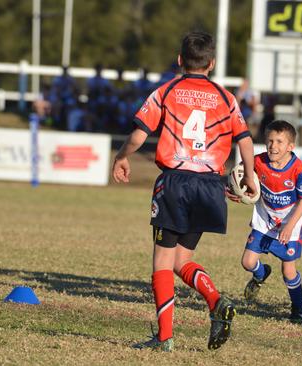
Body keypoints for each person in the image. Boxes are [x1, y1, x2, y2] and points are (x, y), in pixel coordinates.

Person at [112, 31, 258, 352]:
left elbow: (139, 134)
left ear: (180, 60)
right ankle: (217, 302)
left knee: (162, 263)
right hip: (209, 187)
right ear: (212, 63)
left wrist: (122, 156)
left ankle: (164, 338)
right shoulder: (226, 98)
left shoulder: (166, 91)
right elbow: (244, 139)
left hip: (176, 182)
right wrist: (249, 174)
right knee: (181, 261)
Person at [228, 120, 302, 322]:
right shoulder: (258, 162)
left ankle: (299, 308)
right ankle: (260, 273)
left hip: (288, 225)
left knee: (288, 270)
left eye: (280, 142)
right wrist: (234, 190)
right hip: (265, 221)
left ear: (290, 147)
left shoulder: (298, 168)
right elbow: (239, 177)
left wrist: (289, 226)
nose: (274, 146)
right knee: (247, 262)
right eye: (270, 141)